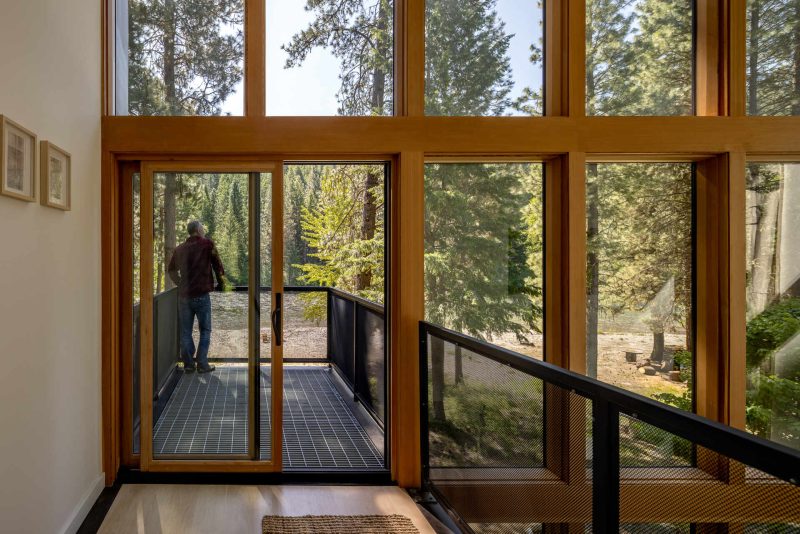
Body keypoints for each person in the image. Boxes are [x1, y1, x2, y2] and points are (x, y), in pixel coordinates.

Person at [168, 220, 225, 373]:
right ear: (199, 230)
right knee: (205, 330)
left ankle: (188, 364)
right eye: (202, 228)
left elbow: (171, 270)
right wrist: (221, 284)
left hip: (184, 296)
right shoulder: (207, 244)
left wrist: (180, 284)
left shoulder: (180, 249)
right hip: (202, 294)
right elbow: (218, 266)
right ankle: (202, 363)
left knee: (185, 331)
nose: (203, 230)